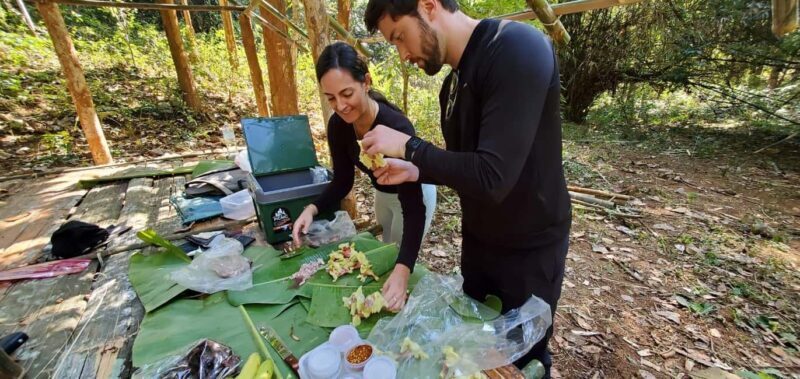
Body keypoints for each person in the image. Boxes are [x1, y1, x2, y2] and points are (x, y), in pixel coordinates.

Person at [360, 0, 571, 375]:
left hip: (529, 252)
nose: (402, 54)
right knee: (474, 350)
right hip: (479, 244)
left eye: (399, 37)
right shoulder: (451, 86)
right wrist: (416, 171)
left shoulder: (516, 48)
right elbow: (468, 170)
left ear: (428, 6)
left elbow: (493, 177)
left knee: (522, 362)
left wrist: (410, 146)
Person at [292, 42, 437, 312]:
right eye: (331, 98)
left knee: (400, 261)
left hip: (415, 194)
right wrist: (311, 209)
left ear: (366, 82)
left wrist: (403, 270)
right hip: (382, 193)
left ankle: (404, 304)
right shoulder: (338, 126)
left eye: (347, 93)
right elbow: (343, 181)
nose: (341, 106)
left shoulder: (395, 126)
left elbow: (414, 208)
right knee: (385, 253)